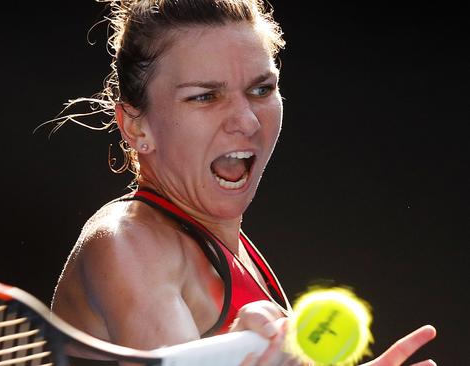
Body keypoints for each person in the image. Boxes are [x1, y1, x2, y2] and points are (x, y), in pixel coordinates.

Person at [48, 0, 437, 365]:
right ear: (136, 126)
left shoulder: (229, 249)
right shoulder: (129, 244)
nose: (248, 121)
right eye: (205, 97)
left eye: (261, 90)